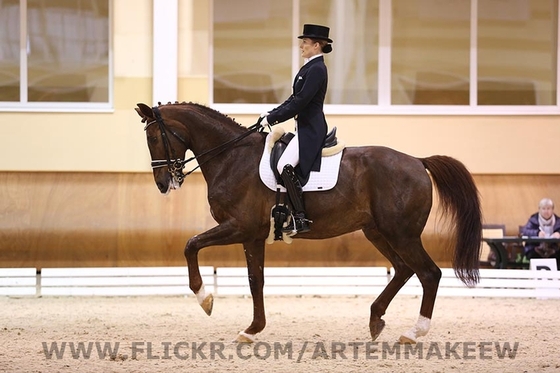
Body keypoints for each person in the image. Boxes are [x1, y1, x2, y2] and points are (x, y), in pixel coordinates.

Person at [259, 24, 333, 235]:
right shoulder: (309, 67)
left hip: (311, 129)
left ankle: (300, 217)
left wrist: (273, 118)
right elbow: (293, 98)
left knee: (284, 165)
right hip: (304, 127)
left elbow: (301, 102)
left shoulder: (317, 69)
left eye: (305, 43)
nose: (301, 46)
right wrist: (271, 114)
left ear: (316, 45)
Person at [520, 198, 560, 267]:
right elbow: (525, 231)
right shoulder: (533, 220)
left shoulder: (558, 221)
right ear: (539, 209)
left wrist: (559, 233)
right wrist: (537, 233)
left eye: (548, 209)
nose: (546, 211)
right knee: (533, 256)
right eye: (543, 209)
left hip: (553, 248)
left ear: (552, 209)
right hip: (535, 248)